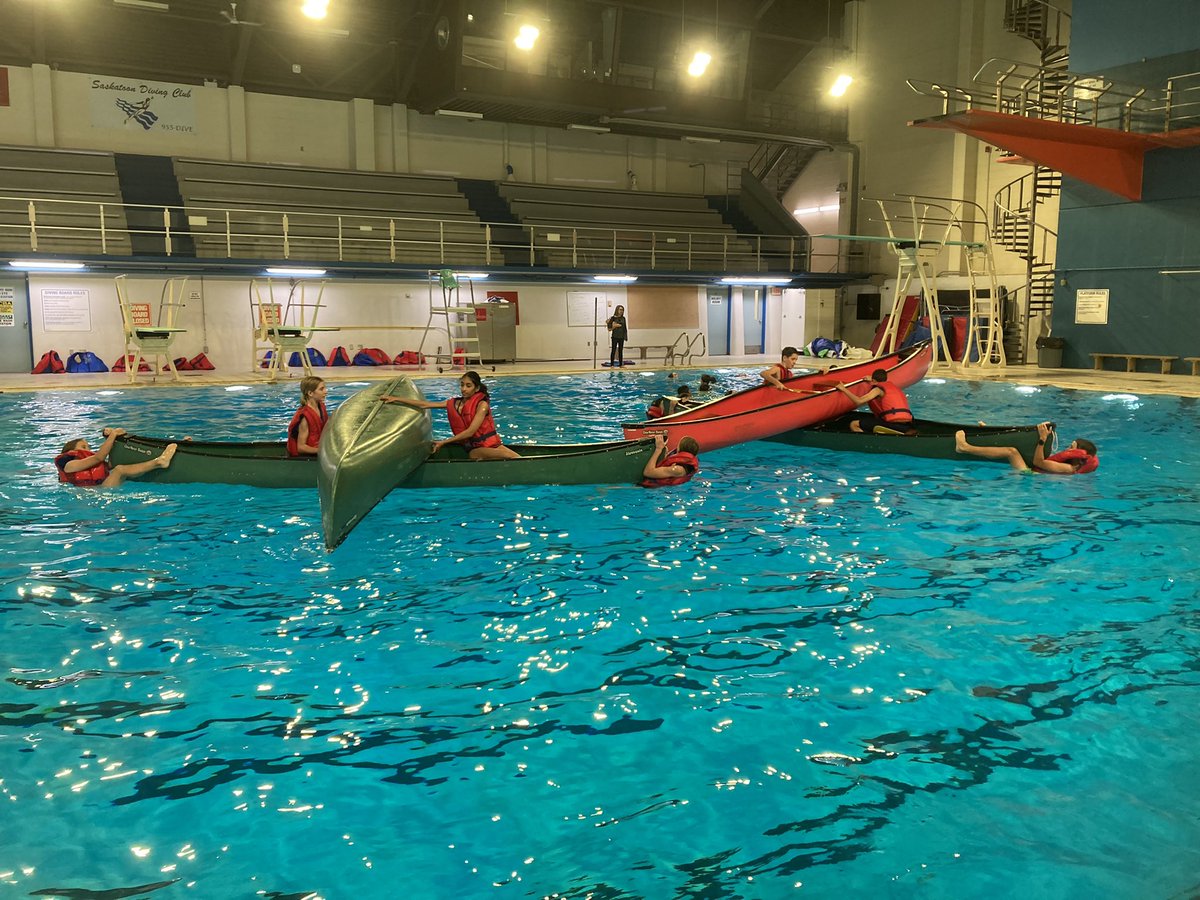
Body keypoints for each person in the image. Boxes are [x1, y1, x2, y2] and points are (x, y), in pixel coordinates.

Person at [380, 370, 521, 460]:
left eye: (468, 386)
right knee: (511, 457)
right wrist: (396, 399)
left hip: (490, 446)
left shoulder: (482, 405)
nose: (464, 389)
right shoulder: (454, 403)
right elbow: (425, 404)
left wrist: (443, 442)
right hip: (476, 450)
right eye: (462, 385)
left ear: (477, 388)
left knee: (515, 458)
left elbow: (470, 432)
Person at [955, 421, 1099, 474]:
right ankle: (989, 436)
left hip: (1028, 477)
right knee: (1015, 450)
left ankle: (965, 447)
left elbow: (1039, 463)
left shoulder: (1068, 469)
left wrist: (1042, 439)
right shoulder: (1068, 465)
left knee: (1011, 452)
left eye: (1072, 448)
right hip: (1031, 474)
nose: (1068, 449)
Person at [55, 427, 177, 488]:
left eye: (88, 446)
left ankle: (163, 459)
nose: (88, 450)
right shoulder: (69, 465)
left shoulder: (91, 464)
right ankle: (159, 462)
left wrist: (112, 437)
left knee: (123, 469)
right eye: (83, 446)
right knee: (120, 470)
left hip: (100, 490)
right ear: (71, 450)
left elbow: (112, 463)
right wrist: (112, 435)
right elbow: (99, 457)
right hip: (96, 494)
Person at [833, 368, 916, 434]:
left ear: (874, 381)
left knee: (853, 424)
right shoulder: (893, 387)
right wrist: (872, 380)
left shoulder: (878, 390)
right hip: (908, 423)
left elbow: (859, 401)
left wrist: (844, 389)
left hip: (893, 424)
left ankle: (865, 442)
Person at [287, 376, 328, 457]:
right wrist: (323, 451)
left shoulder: (321, 406)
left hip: (319, 447)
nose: (325, 391)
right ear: (310, 393)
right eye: (321, 389)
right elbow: (301, 447)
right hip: (307, 455)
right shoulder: (305, 417)